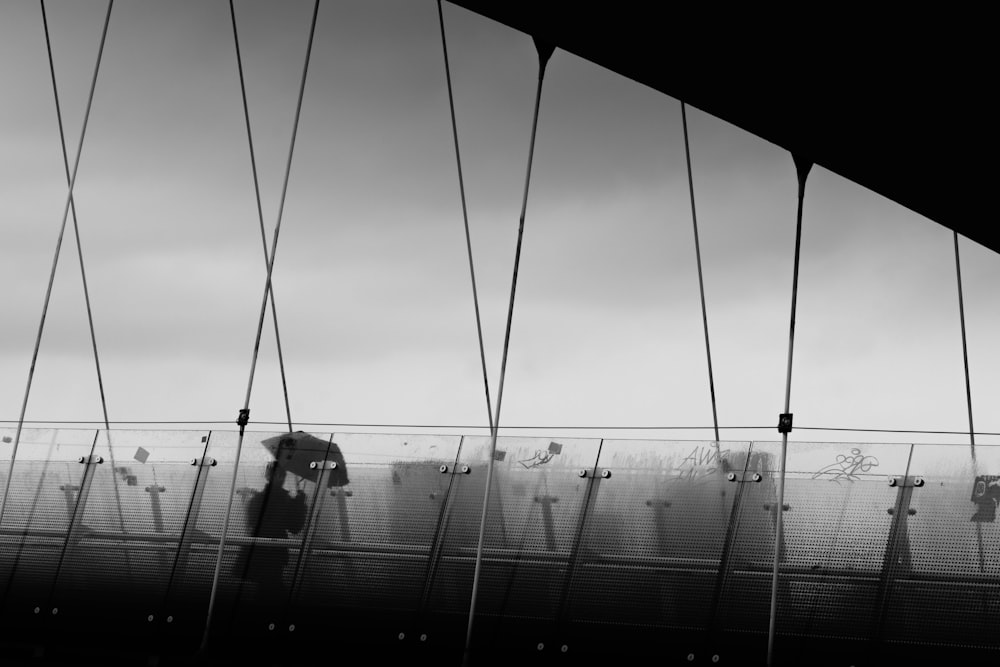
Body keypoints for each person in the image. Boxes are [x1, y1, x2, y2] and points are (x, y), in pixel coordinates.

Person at [235, 460, 307, 602]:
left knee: (266, 590)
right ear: (281, 477)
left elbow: (251, 523)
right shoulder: (284, 500)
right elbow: (295, 527)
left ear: (267, 476)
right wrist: (300, 504)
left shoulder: (257, 499)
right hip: (274, 554)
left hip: (257, 553)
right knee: (273, 591)